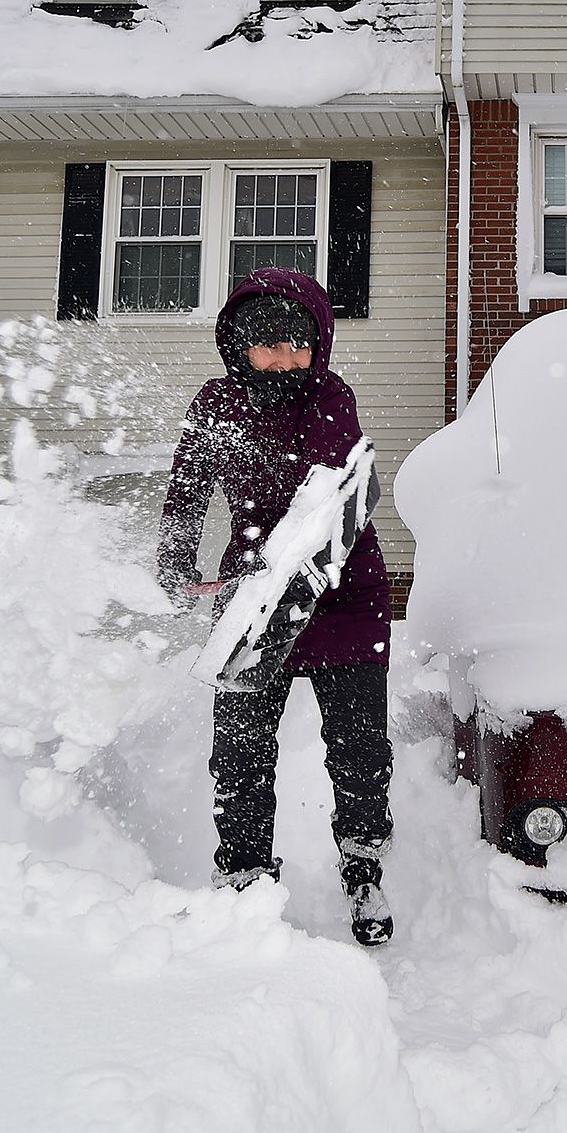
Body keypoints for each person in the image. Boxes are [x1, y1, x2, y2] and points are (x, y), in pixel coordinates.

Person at [157, 268, 395, 947]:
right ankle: (243, 870)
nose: (285, 358)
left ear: (318, 344)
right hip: (254, 599)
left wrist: (273, 558)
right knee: (239, 747)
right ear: (239, 345)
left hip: (342, 590)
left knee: (357, 746)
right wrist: (177, 558)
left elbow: (323, 494)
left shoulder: (329, 396)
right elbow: (188, 487)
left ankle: (363, 861)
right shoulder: (216, 402)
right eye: (267, 344)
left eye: (299, 343)